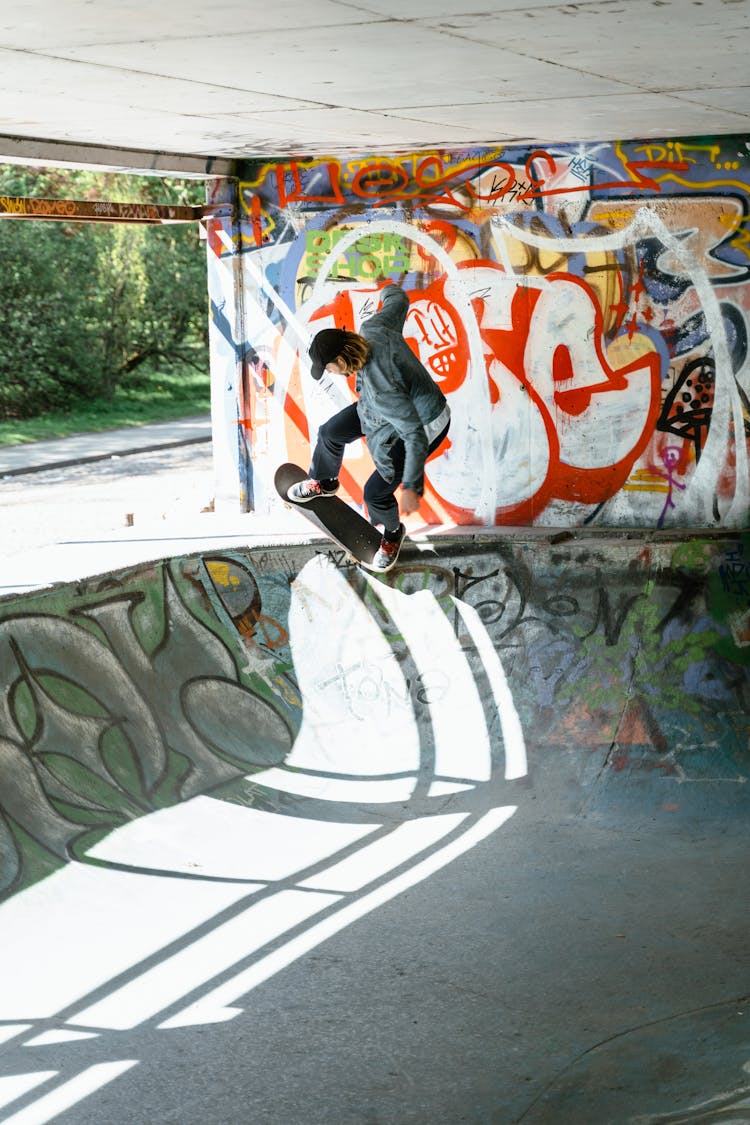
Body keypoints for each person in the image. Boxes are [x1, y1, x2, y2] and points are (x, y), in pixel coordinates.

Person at [288, 284, 450, 572]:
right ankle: (325, 482)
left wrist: (412, 487)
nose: (331, 374)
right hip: (387, 407)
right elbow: (398, 299)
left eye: (329, 369)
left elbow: (413, 435)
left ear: (340, 360)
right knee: (330, 432)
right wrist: (385, 288)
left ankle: (392, 535)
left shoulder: (381, 386)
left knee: (375, 492)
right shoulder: (373, 327)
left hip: (425, 423)